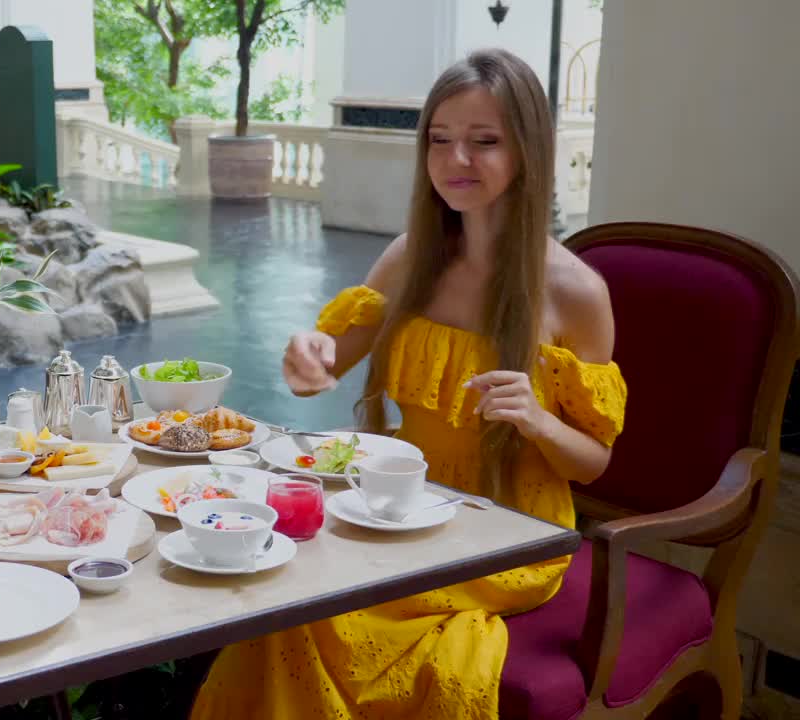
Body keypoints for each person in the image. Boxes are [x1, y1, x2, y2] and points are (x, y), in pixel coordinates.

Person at [190, 48, 628, 720]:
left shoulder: (576, 293)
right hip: (396, 504)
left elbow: (595, 464)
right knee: (283, 606)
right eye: (440, 140)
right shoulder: (409, 258)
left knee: (329, 618)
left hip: (509, 529)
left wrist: (539, 419)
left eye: (484, 142)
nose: (457, 161)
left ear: (529, 152)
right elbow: (321, 370)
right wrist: (309, 355)